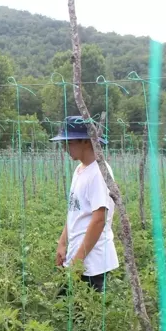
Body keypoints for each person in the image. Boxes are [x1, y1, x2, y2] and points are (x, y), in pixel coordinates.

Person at [51, 116, 119, 293]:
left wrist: (79, 260)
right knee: (67, 312)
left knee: (83, 316)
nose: (65, 148)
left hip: (92, 262)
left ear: (86, 142)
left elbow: (99, 220)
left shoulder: (99, 172)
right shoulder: (80, 169)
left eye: (70, 142)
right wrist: (62, 242)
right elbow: (75, 210)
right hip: (77, 257)